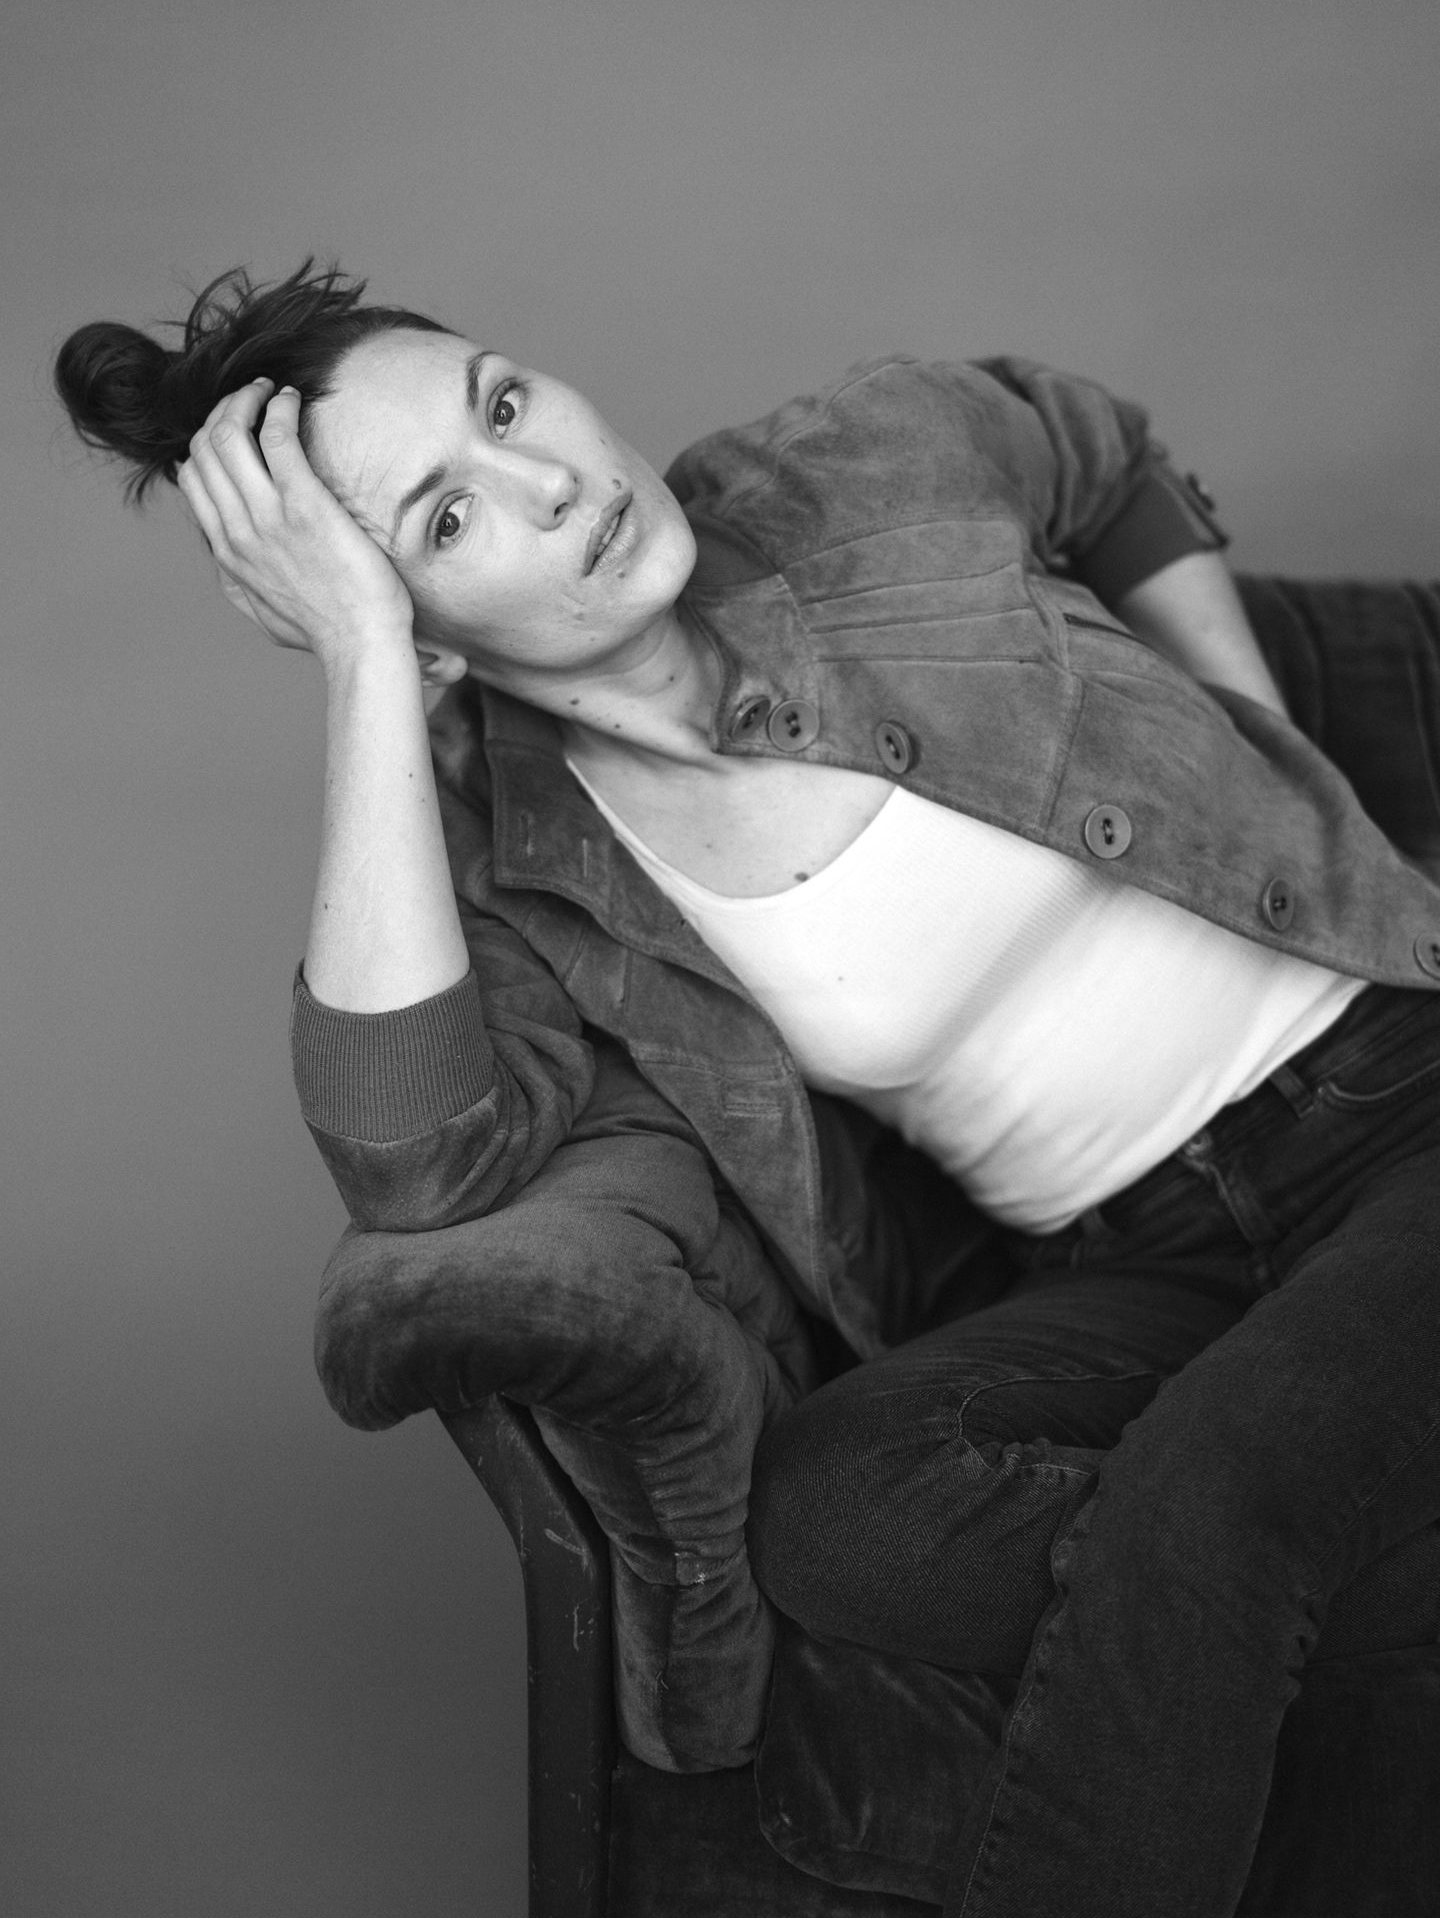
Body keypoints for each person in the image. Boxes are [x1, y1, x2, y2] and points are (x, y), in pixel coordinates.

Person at [56, 262, 1440, 1918]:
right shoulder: (520, 857)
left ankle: (1260, 1534)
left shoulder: (853, 472)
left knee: (1217, 1501)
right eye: (446, 520)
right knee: (842, 1514)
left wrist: (1262, 737)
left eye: (505, 403)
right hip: (1144, 1256)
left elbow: (1093, 445)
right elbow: (414, 1159)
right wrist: (361, 663)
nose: (549, 479)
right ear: (417, 633)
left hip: (1402, 1103)